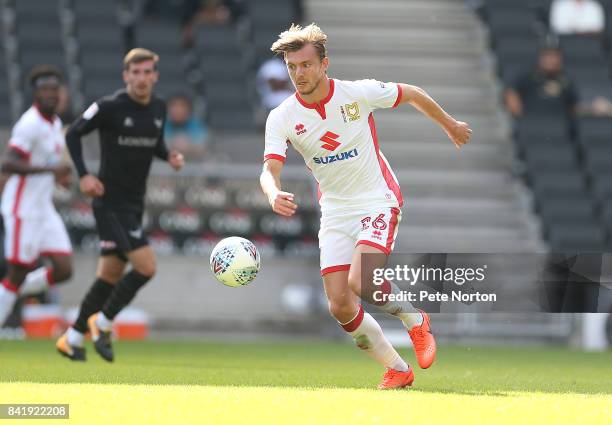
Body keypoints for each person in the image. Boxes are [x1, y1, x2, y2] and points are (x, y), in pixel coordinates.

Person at [260, 24, 471, 390]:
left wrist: (450, 125)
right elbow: (269, 169)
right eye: (292, 67)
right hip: (337, 211)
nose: (298, 74)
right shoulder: (282, 116)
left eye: (306, 65)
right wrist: (272, 192)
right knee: (340, 306)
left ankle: (415, 320)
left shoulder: (356, 94)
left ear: (325, 64)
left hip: (377, 198)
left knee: (363, 280)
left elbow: (413, 93)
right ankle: (397, 368)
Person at [56, 48, 184, 362]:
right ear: (126, 75)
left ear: (155, 75)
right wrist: (84, 175)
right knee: (146, 267)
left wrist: (168, 155)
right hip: (109, 202)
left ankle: (71, 338)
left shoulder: (158, 106)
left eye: (146, 73)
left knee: (112, 272)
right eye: (135, 73)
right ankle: (102, 322)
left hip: (134, 202)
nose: (141, 78)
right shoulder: (109, 106)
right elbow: (73, 134)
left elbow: (154, 142)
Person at [0, 65, 74, 327]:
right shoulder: (29, 124)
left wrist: (58, 177)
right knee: (18, 271)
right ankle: (6, 298)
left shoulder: (54, 123)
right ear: (35, 94)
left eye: (55, 89)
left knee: (64, 269)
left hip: (44, 208)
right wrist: (50, 170)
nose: (51, 94)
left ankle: (9, 293)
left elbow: (46, 163)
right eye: (45, 89)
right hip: (23, 208)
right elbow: (7, 163)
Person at [504, 46, 578, 119]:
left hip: (558, 124)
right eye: (547, 56)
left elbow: (572, 106)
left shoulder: (566, 80)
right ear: (540, 58)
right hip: (531, 122)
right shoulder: (528, 76)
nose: (551, 60)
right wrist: (521, 116)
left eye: (554, 56)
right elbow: (511, 93)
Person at [165, 94, 208, 160]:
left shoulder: (197, 126)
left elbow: (203, 148)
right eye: (173, 105)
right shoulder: (161, 125)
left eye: (182, 106)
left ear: (189, 109)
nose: (178, 110)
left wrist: (189, 147)